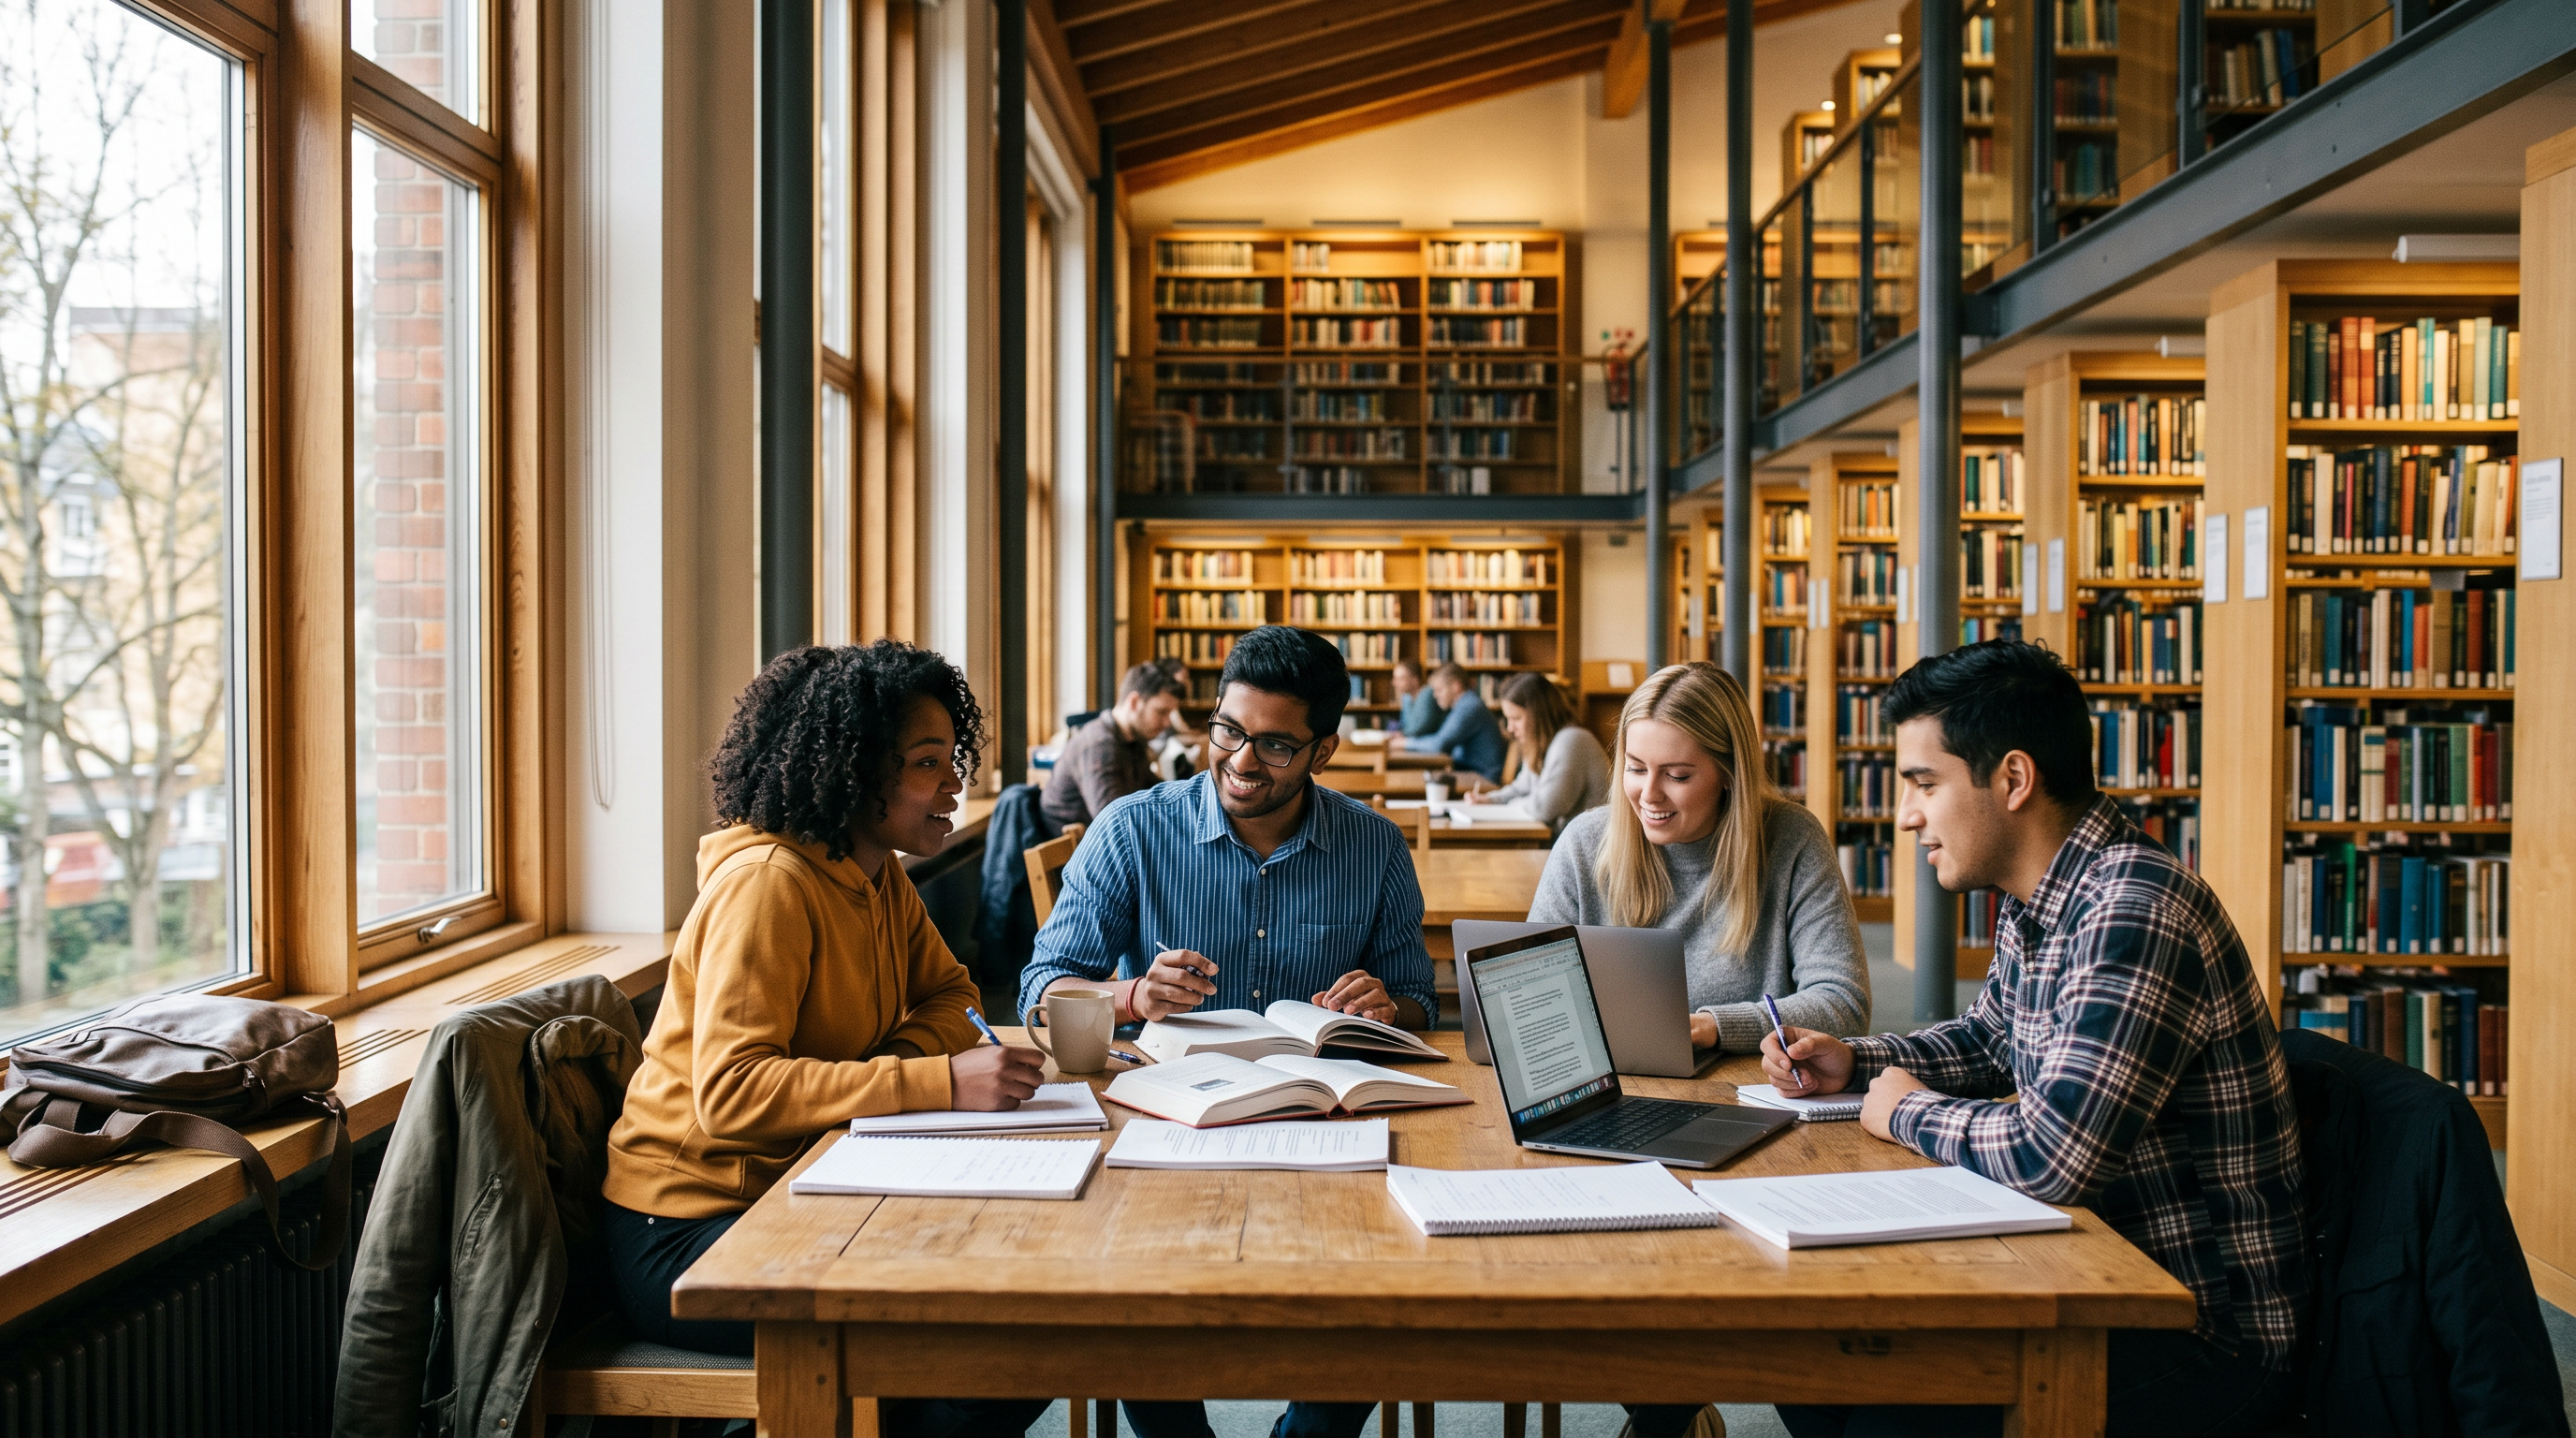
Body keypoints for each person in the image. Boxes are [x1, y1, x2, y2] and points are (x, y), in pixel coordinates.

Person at [1757, 640, 2304, 1438]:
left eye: (1923, 784)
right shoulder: (2044, 894)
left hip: (2192, 1328)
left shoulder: (2133, 907)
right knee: (1815, 1364)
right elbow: (1990, 1042)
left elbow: (2055, 1159)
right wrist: (1859, 1060)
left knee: (1887, 1411)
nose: (1907, 814)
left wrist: (1905, 1111)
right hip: (2090, 1264)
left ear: (2012, 779)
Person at [602, 642, 1053, 1438]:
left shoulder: (874, 872)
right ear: (852, 769)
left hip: (807, 1189)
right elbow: (734, 1096)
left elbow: (953, 992)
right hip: (691, 1231)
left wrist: (896, 1067)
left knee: (1024, 1305)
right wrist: (938, 1083)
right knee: (993, 1351)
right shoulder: (769, 885)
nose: (957, 784)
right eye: (926, 763)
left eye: (955, 759)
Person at [1018, 624, 1437, 1438]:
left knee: (1374, 1293)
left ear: (1323, 752)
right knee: (1133, 1295)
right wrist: (1133, 993)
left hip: (1325, 1127)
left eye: (1276, 746)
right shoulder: (1133, 829)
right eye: (1229, 730)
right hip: (1169, 1124)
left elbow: (1421, 1003)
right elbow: (1042, 988)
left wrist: (1385, 1009)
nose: (1242, 761)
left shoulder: (1376, 846)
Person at [1527, 662, 1867, 1058]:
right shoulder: (1584, 843)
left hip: (1747, 1089)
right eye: (1636, 768)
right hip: (1613, 1082)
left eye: (1677, 776)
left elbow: (1843, 1001)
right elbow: (1530, 989)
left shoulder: (1793, 840)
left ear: (1728, 773)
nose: (1648, 794)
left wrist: (1713, 1026)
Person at [1042, 661, 1185, 829]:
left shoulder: (1132, 741)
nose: (1167, 723)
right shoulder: (1099, 744)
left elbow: (1156, 791)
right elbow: (1113, 821)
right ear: (1134, 702)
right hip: (1073, 851)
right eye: (1161, 712)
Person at [1463, 671, 1610, 834]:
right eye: (1508, 719)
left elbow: (1545, 808)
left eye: (1516, 718)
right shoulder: (1541, 743)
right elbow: (1522, 787)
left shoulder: (1572, 739)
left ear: (1538, 715)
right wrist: (1490, 800)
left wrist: (1508, 805)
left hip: (1589, 849)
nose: (1510, 728)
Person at [1399, 661, 1507, 782]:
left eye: (1439, 690)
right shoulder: (1464, 704)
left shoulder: (1468, 707)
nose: (1435, 695)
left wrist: (1404, 743)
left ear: (1456, 686)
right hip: (1471, 772)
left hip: (1483, 778)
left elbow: (1439, 744)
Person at [1391, 657, 1444, 738]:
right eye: (1395, 678)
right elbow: (1405, 726)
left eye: (1400, 679)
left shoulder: (1427, 694)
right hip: (1414, 744)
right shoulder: (1406, 698)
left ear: (1415, 680)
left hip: (1429, 746)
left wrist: (1400, 735)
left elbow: (1421, 728)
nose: (1395, 683)